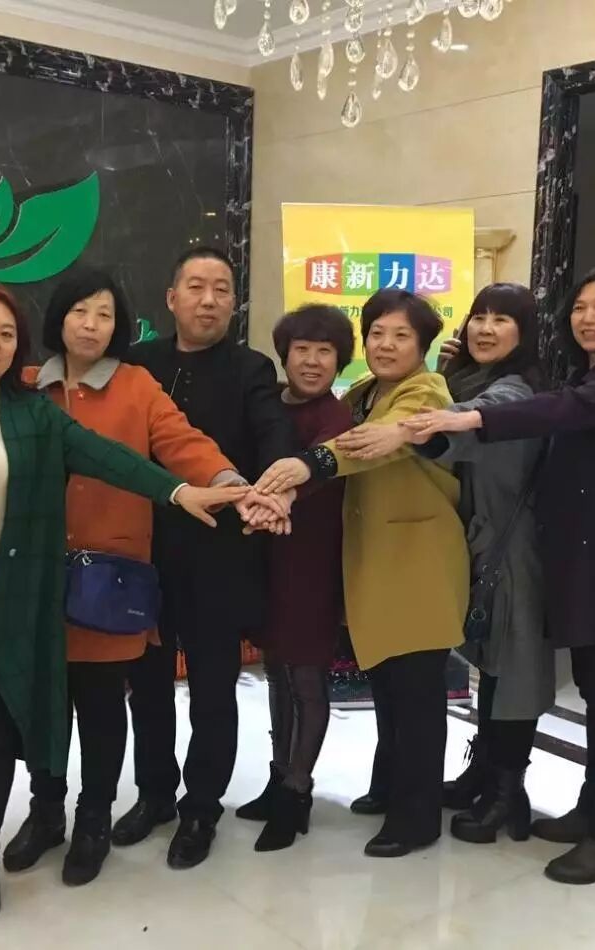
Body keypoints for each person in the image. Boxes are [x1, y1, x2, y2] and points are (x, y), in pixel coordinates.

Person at [0, 281, 249, 923]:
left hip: (7, 606)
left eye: (6, 334)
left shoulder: (32, 413)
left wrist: (180, 493)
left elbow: (110, 459)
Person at [403, 266, 595, 884]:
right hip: (582, 564)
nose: (588, 318)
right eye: (580, 307)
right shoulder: (588, 376)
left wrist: (470, 419)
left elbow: (560, 411)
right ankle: (591, 812)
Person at [255, 289, 470, 858]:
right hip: (380, 564)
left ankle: (417, 818)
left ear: (423, 345)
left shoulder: (425, 392)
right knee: (392, 690)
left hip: (419, 562)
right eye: (377, 333)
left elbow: (368, 445)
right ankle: (391, 788)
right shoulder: (366, 392)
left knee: (418, 696)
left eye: (401, 336)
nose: (387, 345)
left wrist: (309, 464)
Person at [113, 246, 299, 870]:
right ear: (171, 298)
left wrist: (277, 484)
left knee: (214, 689)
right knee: (146, 686)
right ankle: (155, 794)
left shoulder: (251, 368)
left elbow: (274, 434)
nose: (209, 299)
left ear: (234, 303)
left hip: (219, 555)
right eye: (196, 286)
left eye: (222, 288)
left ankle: (201, 807)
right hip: (145, 552)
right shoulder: (137, 364)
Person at [357, 283, 555, 844]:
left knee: (513, 670)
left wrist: (406, 429)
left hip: (513, 546)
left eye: (502, 320)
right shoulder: (471, 375)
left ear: (525, 332)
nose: (485, 329)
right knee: (490, 666)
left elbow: (475, 418)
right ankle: (481, 774)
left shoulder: (516, 389)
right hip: (478, 541)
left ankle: (507, 795)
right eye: (478, 318)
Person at [234, 304, 355, 851]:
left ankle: (297, 792)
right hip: (266, 558)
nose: (311, 361)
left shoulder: (336, 418)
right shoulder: (268, 405)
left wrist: (281, 495)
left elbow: (315, 472)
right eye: (302, 349)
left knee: (307, 679)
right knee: (278, 673)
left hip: (312, 563)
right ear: (284, 354)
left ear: (339, 361)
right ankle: (278, 774)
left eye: (325, 351)